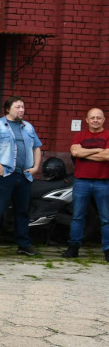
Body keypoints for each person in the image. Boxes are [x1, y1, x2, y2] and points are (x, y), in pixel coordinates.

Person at [0, 97, 43, 258]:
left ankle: (23, 244)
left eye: (23, 107)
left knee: (22, 212)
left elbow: (37, 148)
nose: (21, 110)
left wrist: (35, 168)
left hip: (24, 176)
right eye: (17, 107)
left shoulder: (28, 127)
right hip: (3, 176)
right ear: (8, 109)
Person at [63, 108, 109, 261]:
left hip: (103, 182)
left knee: (106, 218)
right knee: (77, 217)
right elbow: (75, 153)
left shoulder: (108, 135)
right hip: (81, 182)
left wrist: (86, 152)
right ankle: (73, 248)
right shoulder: (79, 135)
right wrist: (98, 151)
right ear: (87, 120)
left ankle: (107, 250)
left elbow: (108, 155)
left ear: (103, 119)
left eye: (98, 117)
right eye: (92, 117)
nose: (95, 120)